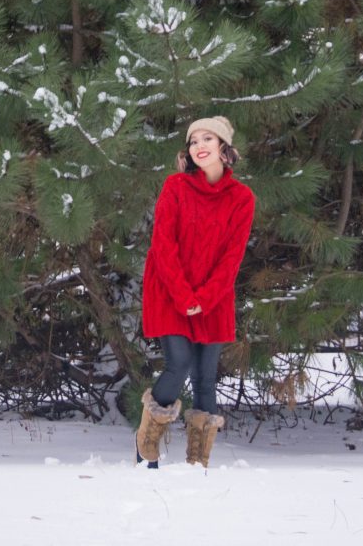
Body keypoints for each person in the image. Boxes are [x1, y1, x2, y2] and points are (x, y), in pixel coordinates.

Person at [134, 116, 255, 469]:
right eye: (193, 141)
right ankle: (146, 444)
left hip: (214, 298)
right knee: (180, 365)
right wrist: (185, 297)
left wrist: (204, 299)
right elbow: (162, 245)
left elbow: (233, 257)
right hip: (170, 292)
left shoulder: (242, 198)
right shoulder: (175, 187)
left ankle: (197, 461)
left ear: (224, 148)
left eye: (208, 138)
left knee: (205, 375)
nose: (199, 146)